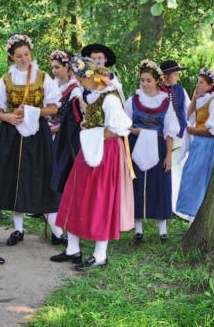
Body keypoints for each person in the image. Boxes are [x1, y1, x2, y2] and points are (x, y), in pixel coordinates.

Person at [53, 56, 134, 270]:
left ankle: (100, 255)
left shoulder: (110, 99)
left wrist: (91, 133)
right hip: (89, 150)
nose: (79, 82)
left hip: (104, 154)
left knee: (100, 199)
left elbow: (117, 130)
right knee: (76, 194)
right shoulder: (96, 94)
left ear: (91, 77)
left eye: (81, 78)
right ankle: (72, 248)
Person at [0, 34, 62, 246]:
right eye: (18, 56)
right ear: (11, 57)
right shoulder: (6, 79)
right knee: (14, 178)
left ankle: (57, 230)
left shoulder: (43, 77)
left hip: (37, 135)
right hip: (11, 135)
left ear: (31, 54)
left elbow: (55, 107)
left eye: (26, 54)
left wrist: (34, 112)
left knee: (41, 177)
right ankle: (18, 229)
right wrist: (7, 117)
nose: (23, 59)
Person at [126, 59, 180, 244]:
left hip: (158, 147)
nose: (144, 84)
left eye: (148, 80)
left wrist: (169, 156)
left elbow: (170, 130)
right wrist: (139, 131)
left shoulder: (165, 102)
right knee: (137, 185)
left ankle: (162, 230)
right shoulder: (132, 100)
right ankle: (138, 230)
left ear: (157, 81)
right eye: (142, 80)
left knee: (160, 185)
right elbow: (124, 125)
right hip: (136, 145)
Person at [175, 68, 214, 223]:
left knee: (198, 179)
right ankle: (193, 217)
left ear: (211, 85)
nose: (197, 85)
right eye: (198, 82)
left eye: (201, 82)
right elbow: (187, 116)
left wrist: (191, 130)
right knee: (191, 176)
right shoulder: (202, 100)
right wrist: (194, 98)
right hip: (199, 144)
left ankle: (196, 219)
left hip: (208, 145)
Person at [48, 50, 83, 245]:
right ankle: (54, 224)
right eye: (52, 67)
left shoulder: (75, 90)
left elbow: (74, 120)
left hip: (65, 138)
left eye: (57, 67)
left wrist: (55, 129)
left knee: (60, 175)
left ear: (67, 67)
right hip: (49, 134)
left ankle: (61, 224)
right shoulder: (52, 85)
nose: (54, 71)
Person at [159, 59, 192, 221]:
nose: (178, 76)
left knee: (180, 170)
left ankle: (180, 205)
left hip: (179, 137)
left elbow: (188, 111)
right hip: (161, 138)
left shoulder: (180, 90)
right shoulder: (155, 90)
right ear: (166, 75)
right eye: (175, 73)